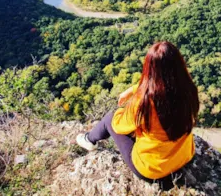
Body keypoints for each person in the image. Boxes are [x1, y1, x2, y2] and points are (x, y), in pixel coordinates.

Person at [76, 41, 198, 189]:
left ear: (149, 69)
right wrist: (134, 90)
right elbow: (163, 88)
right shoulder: (189, 90)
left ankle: (89, 139)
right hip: (183, 157)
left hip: (152, 169)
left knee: (110, 117)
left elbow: (119, 126)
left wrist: (126, 106)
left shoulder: (144, 103)